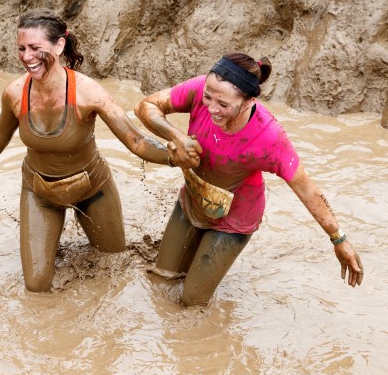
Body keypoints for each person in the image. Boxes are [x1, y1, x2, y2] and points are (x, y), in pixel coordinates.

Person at [0, 8, 197, 292]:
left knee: (113, 265)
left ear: (59, 45)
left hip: (92, 189)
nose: (27, 57)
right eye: (22, 48)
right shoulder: (14, 93)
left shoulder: (89, 92)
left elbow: (135, 140)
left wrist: (172, 156)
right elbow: (0, 133)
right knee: (36, 286)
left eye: (36, 48)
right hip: (40, 192)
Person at [134, 52, 364, 306]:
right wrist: (176, 136)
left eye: (223, 104)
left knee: (192, 302)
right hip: (193, 199)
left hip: (234, 219)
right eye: (208, 97)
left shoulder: (269, 137)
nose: (211, 108)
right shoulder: (201, 89)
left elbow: (306, 188)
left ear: (248, 102)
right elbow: (145, 106)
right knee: (161, 281)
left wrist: (339, 239)